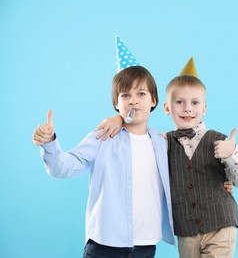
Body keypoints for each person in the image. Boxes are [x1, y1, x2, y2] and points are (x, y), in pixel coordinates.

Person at [95, 57, 238, 258]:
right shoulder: (160, 142)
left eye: (195, 102)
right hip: (186, 229)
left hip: (220, 224)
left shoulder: (221, 142)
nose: (187, 108)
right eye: (179, 102)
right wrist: (118, 117)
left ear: (204, 109)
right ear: (166, 108)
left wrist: (232, 155)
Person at [32, 64, 175, 258]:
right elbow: (62, 168)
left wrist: (222, 182)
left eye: (141, 94)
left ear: (154, 101)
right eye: (125, 95)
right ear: (116, 104)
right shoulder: (103, 137)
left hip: (146, 245)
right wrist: (50, 143)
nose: (133, 101)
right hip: (104, 245)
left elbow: (186, 172)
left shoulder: (162, 143)